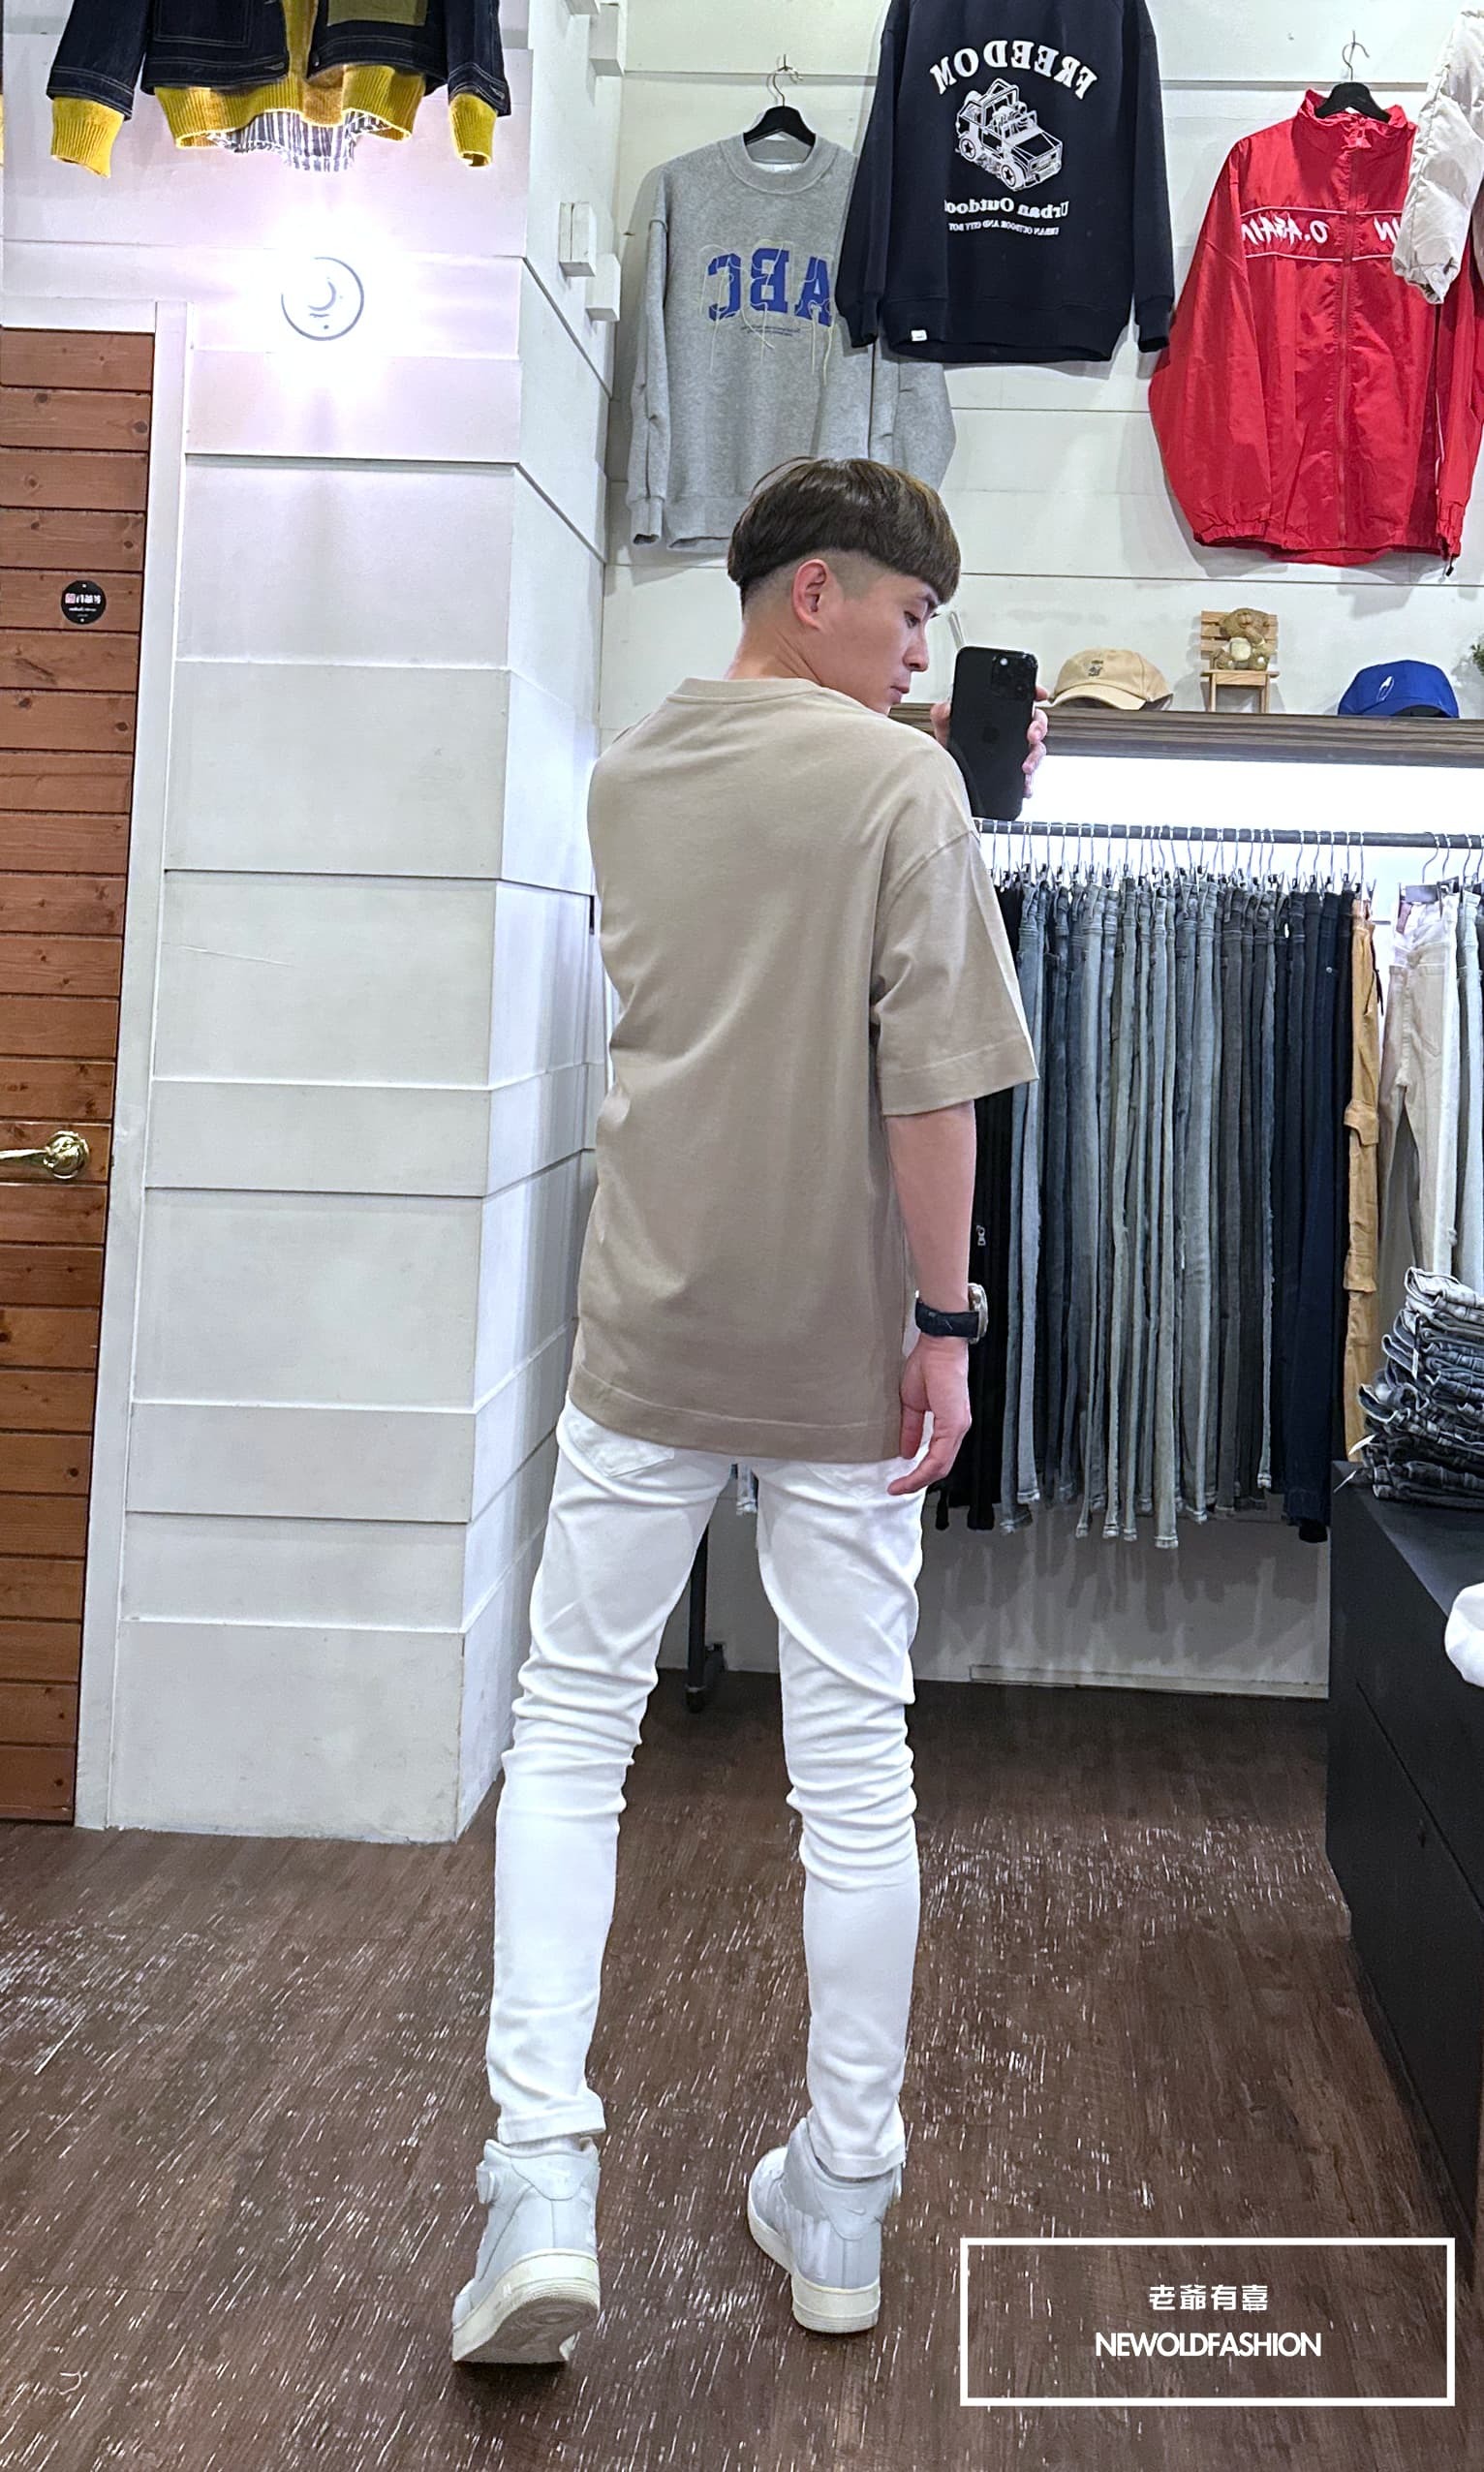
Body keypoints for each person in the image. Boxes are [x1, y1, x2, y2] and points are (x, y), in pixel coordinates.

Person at [451, 459, 1044, 2368]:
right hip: (838, 1348)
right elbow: (931, 1087)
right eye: (906, 616)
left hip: (647, 1322)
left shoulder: (626, 774)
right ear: (817, 593)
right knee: (852, 1762)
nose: (920, 656)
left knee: (571, 1730)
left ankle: (538, 2178)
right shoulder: (899, 788)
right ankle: (844, 2190)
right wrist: (946, 1321)